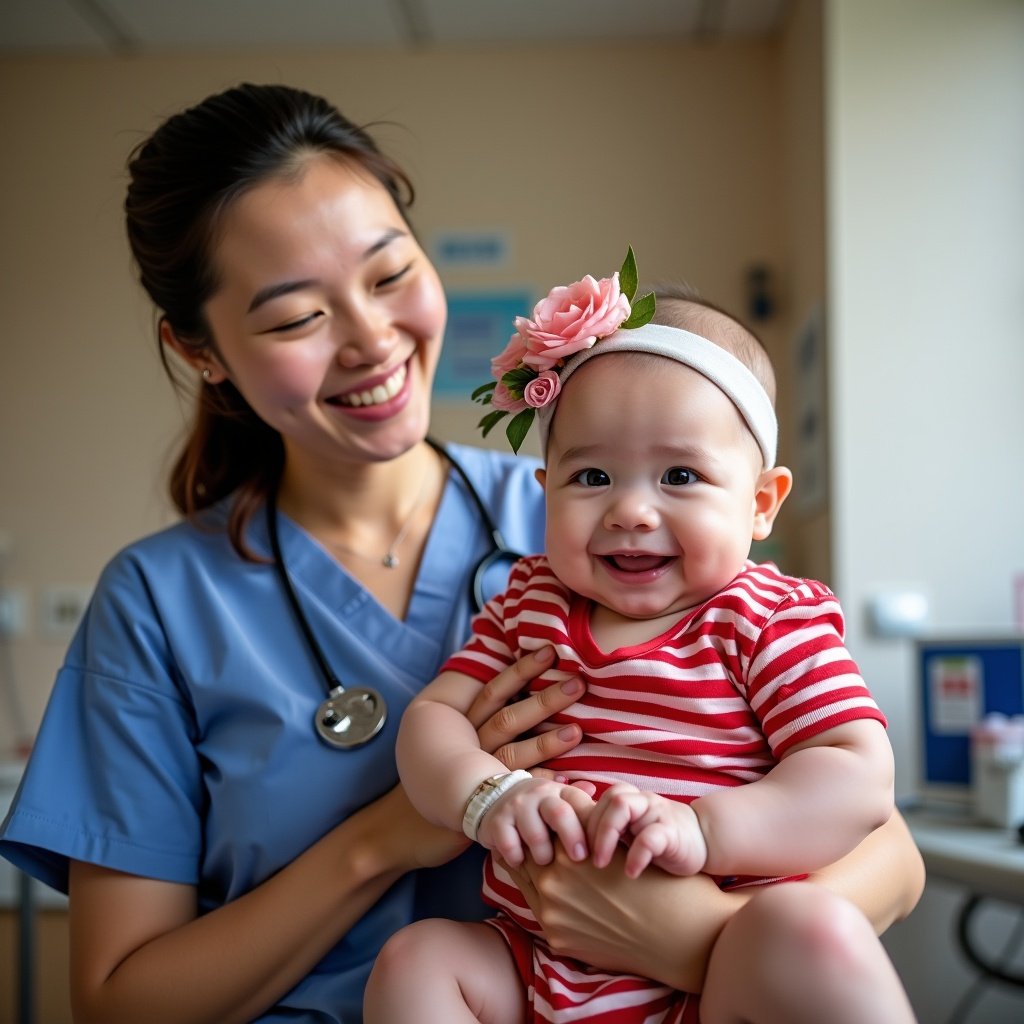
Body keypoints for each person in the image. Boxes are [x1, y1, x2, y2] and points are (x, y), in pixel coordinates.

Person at [0, 84, 922, 1024]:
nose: (370, 340)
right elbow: (120, 1005)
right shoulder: (161, 602)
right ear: (200, 350)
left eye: (390, 272)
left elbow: (885, 848)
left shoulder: (596, 527)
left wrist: (691, 941)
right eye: (293, 319)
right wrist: (388, 838)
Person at [366, 265, 918, 1024]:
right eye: (592, 475)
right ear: (544, 492)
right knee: (418, 959)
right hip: (536, 968)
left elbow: (856, 777)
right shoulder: (530, 602)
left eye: (680, 475)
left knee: (809, 931)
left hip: (719, 978)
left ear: (760, 504)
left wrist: (705, 828)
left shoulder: (767, 619)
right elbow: (436, 719)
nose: (630, 510)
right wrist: (486, 795)